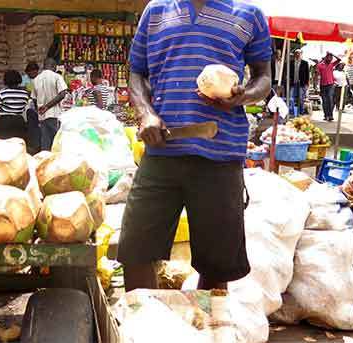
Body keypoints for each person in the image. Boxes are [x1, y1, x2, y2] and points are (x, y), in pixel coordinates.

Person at [120, 0, 272, 292]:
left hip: (220, 153)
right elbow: (136, 73)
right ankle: (143, 327)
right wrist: (146, 114)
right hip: (163, 150)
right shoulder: (156, 11)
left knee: (218, 263)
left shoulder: (249, 15)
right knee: (135, 249)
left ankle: (207, 328)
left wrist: (243, 96)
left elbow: (264, 77)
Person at [30, 58, 69, 151]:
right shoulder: (57, 77)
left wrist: (39, 110)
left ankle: (45, 162)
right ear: (54, 67)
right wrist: (47, 107)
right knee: (56, 141)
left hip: (42, 116)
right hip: (54, 114)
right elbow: (62, 94)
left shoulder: (36, 79)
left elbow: (34, 99)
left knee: (45, 142)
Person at [0, 70, 29, 140]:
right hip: (19, 122)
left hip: (4, 122)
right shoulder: (25, 94)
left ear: (6, 80)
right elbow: (24, 106)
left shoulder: (2, 93)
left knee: (3, 144)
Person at [317, 52, 341, 121]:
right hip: (322, 85)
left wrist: (333, 54)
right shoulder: (320, 65)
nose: (331, 59)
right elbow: (317, 76)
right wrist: (317, 86)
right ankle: (326, 115)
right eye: (329, 57)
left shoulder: (331, 64)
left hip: (330, 85)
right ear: (326, 57)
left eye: (331, 58)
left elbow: (339, 59)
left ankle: (330, 115)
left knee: (330, 100)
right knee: (324, 101)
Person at [287, 49, 309, 115]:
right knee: (291, 97)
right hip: (292, 83)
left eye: (299, 53)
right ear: (294, 54)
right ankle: (291, 111)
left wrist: (307, 83)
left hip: (301, 83)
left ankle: (301, 111)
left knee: (301, 98)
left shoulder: (305, 63)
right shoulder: (291, 63)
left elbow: (307, 74)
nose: (297, 54)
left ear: (301, 54)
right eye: (296, 53)